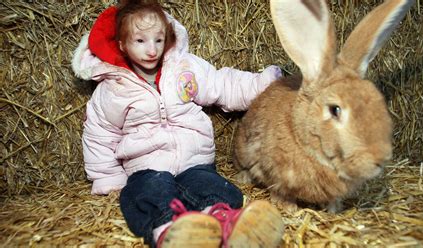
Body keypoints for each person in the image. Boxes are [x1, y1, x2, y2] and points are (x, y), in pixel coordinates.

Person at [71, 0, 285, 247]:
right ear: (122, 44)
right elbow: (100, 132)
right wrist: (107, 177)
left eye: (158, 40)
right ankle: (170, 231)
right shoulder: (114, 88)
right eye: (140, 41)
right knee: (148, 191)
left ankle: (224, 221)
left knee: (212, 185)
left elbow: (222, 84)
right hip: (146, 166)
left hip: (194, 161)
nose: (152, 50)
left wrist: (262, 84)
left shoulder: (184, 68)